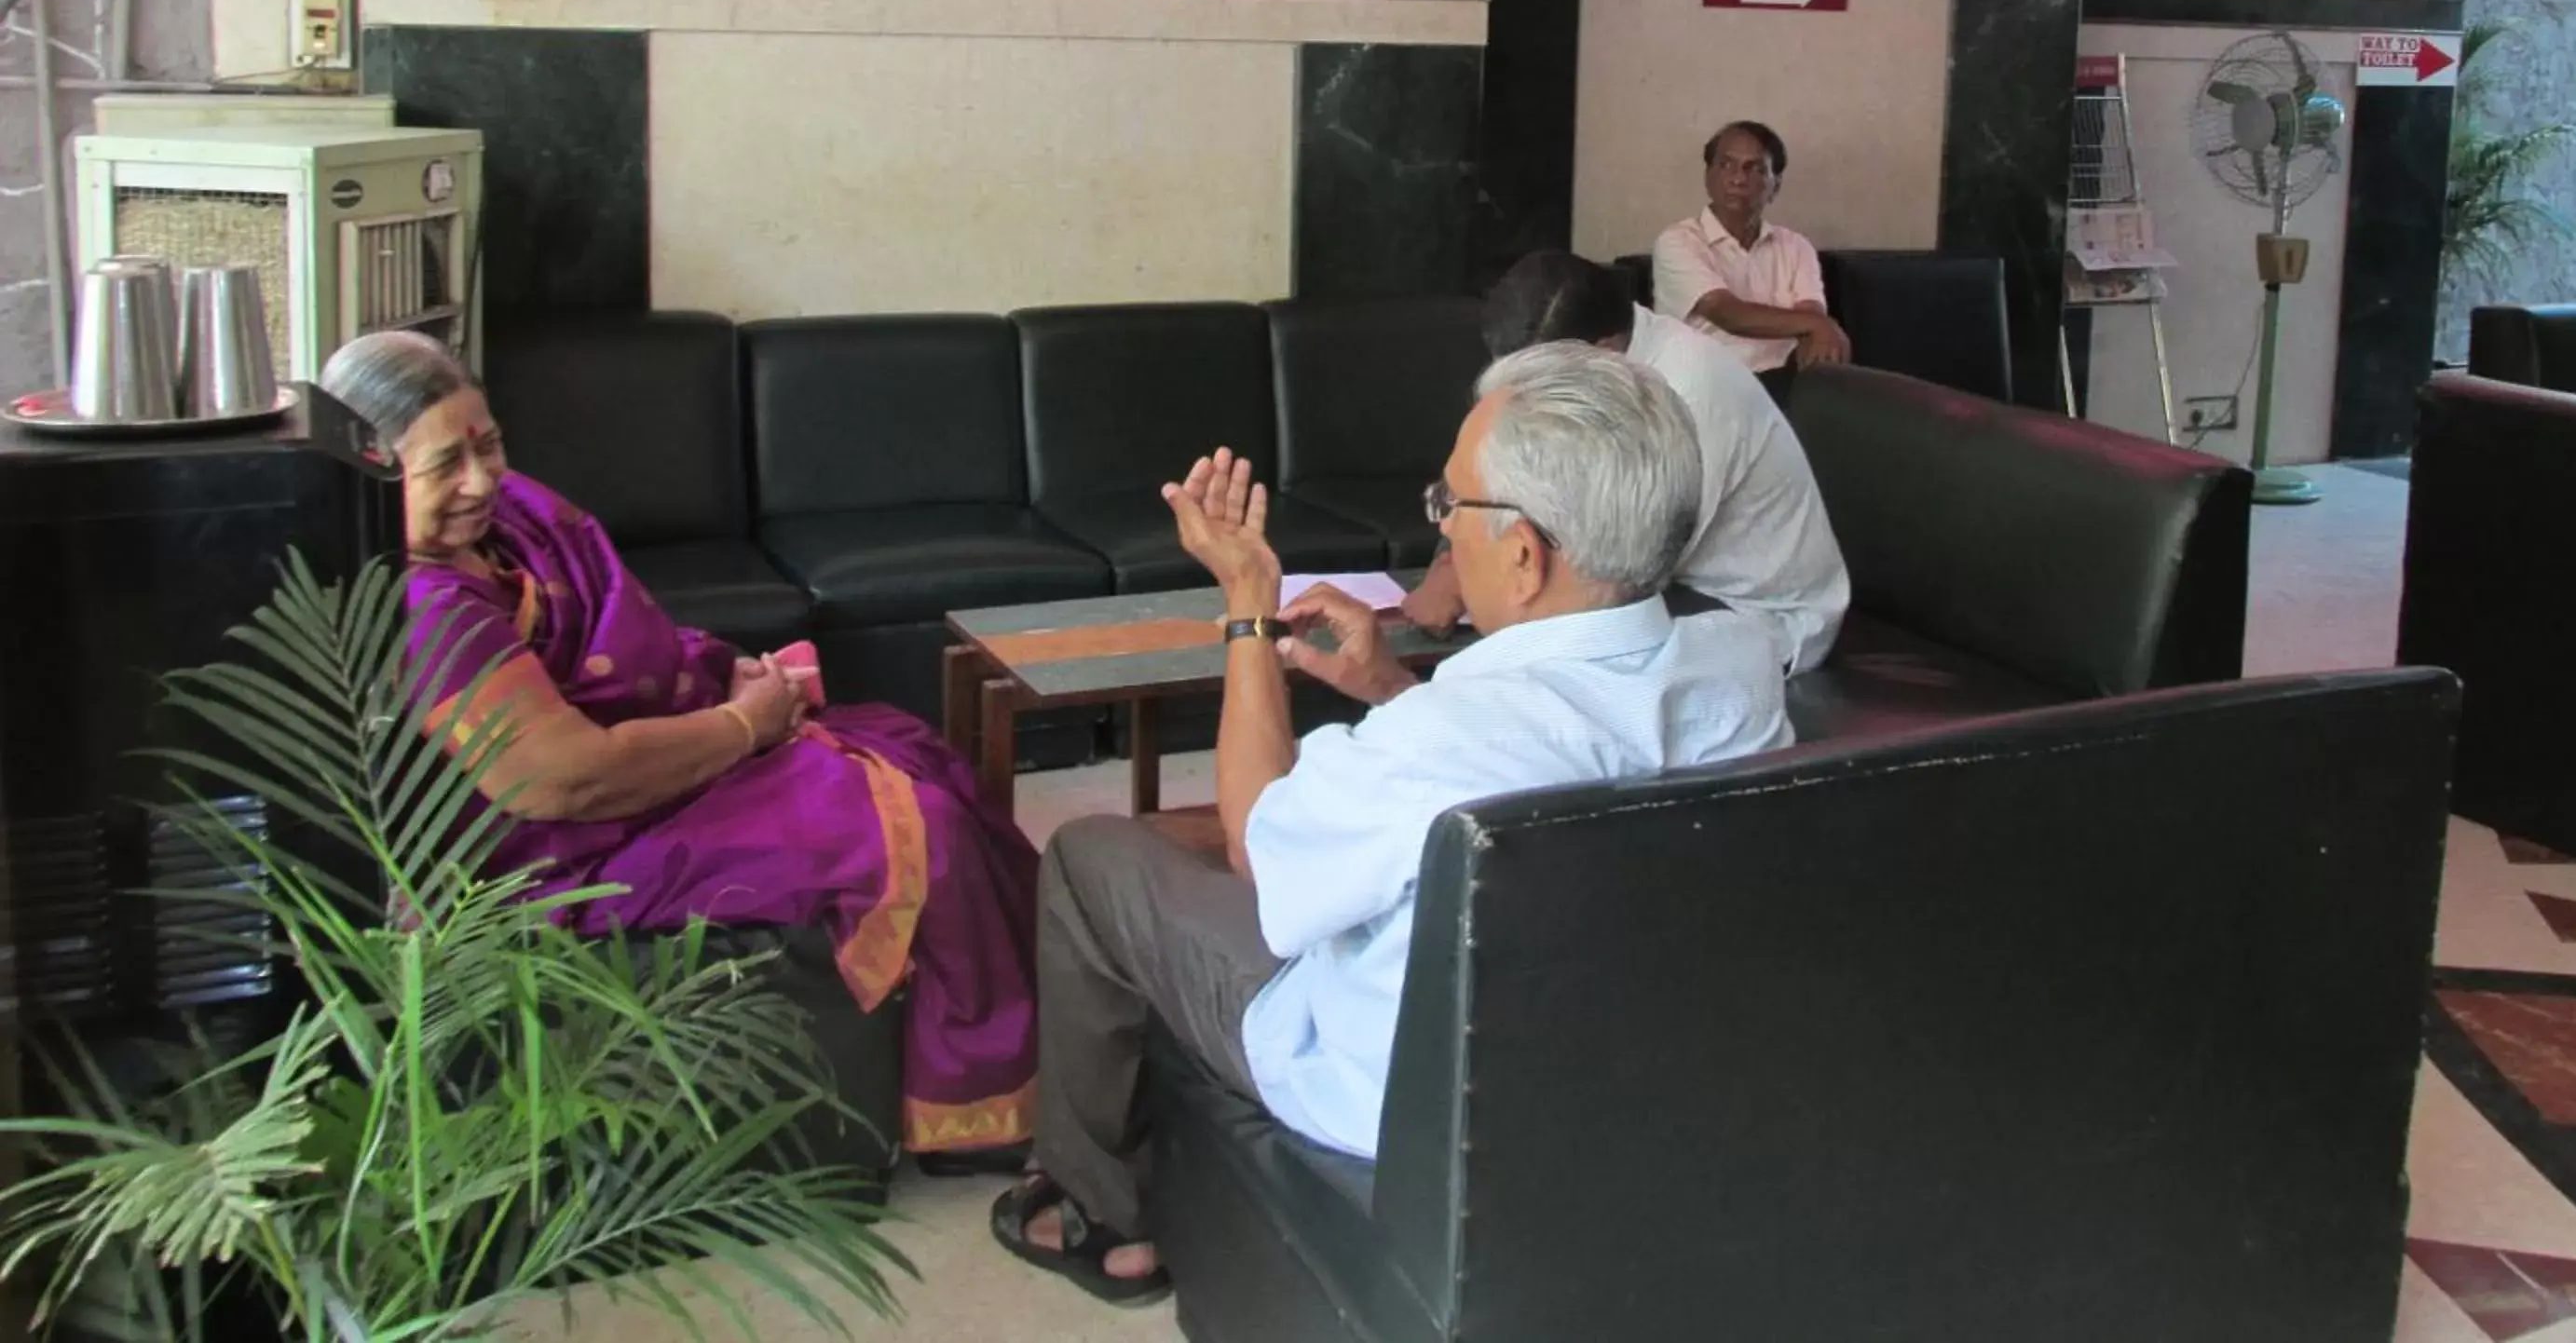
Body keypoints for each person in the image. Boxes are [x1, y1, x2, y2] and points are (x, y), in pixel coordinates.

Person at [989, 344, 1790, 1304]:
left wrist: (1249, 611)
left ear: (1526, 555)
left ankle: (1105, 1220)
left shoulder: (1435, 742)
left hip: (1392, 1091)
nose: (1442, 530)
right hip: (1621, 1066)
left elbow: (1260, 849)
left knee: (1091, 855)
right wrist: (1387, 688)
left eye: (1451, 510)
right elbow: (1543, 749)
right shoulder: (1741, 667)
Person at [318, 330, 1041, 1162]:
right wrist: (743, 726)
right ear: (372, 468)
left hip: (644, 772)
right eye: (446, 464)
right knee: (915, 827)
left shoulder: (511, 521)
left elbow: (628, 646)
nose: (482, 481)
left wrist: (724, 674)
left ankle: (1042, 1017)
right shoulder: (422, 607)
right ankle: (971, 1115)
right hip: (563, 849)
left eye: (490, 445)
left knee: (915, 748)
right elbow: (563, 783)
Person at [1396, 251, 1848, 674]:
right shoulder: (1592, 367)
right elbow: (1491, 464)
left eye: (1532, 377)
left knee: (1524, 643)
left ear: (1605, 349)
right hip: (1666, 584)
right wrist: (1452, 562)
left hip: (1745, 610)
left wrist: (1468, 585)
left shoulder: (1685, 396)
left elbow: (1615, 567)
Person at [1652, 120, 1852, 377]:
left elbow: (1810, 314)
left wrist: (1817, 328)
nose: (1738, 179)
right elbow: (1726, 313)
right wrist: (1820, 325)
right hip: (1708, 383)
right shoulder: (1678, 241)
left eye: (1755, 168)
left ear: (1775, 186)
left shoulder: (1795, 246)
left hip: (1784, 378)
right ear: (1708, 176)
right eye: (1726, 165)